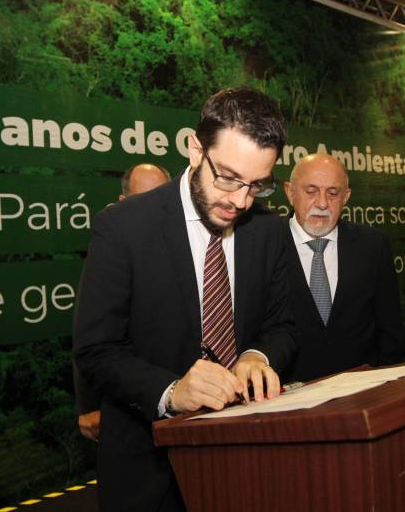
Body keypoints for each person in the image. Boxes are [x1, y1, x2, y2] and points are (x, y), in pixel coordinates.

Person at [73, 87, 297, 511]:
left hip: (250, 461)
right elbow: (96, 350)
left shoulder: (267, 231)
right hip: (148, 472)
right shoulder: (123, 227)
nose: (239, 200)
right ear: (195, 149)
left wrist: (256, 356)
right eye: (227, 177)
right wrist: (172, 392)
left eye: (256, 186)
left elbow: (282, 327)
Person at [281, 154, 405, 381]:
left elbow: (390, 330)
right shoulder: (265, 246)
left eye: (333, 193)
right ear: (290, 192)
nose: (321, 203)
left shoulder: (373, 246)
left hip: (363, 394)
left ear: (346, 197)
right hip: (288, 400)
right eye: (310, 191)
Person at [73, 162, 172, 441]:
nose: (151, 209)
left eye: (160, 198)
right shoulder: (113, 248)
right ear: (122, 202)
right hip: (126, 403)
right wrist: (89, 405)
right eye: (142, 199)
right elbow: (92, 331)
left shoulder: (187, 243)